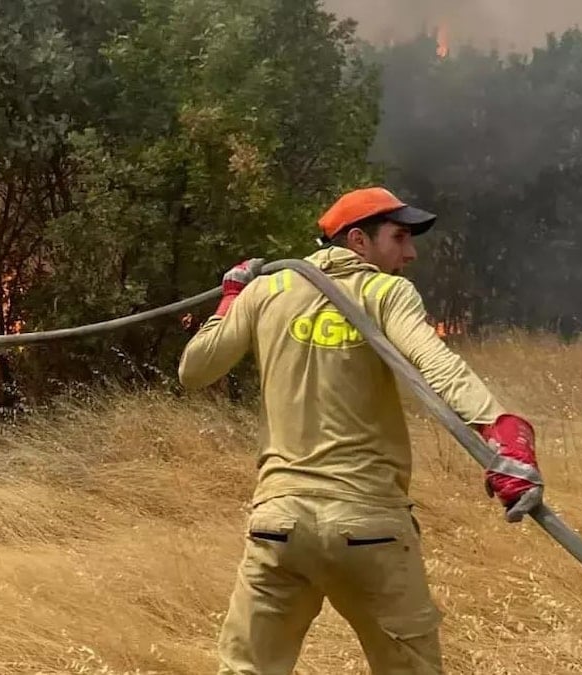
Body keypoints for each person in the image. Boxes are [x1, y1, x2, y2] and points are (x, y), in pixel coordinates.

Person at [177, 186, 543, 674]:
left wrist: (230, 300)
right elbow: (433, 362)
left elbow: (195, 370)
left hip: (279, 528)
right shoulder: (384, 291)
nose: (410, 253)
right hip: (370, 529)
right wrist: (500, 429)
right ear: (358, 240)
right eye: (399, 237)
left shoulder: (268, 290)